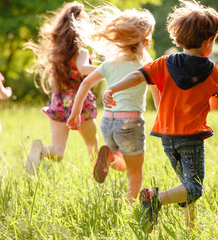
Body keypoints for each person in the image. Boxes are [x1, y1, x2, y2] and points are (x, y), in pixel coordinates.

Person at [102, 0, 218, 231]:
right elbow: (215, 105)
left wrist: (113, 88)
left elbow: (136, 77)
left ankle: (190, 229)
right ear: (209, 42)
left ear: (179, 38)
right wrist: (209, 97)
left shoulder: (163, 63)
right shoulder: (212, 70)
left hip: (168, 139)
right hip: (191, 138)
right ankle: (154, 198)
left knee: (186, 184)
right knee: (194, 186)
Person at [67, 4, 159, 203]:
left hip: (107, 121)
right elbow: (156, 90)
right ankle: (130, 207)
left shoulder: (109, 63)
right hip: (131, 123)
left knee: (123, 162)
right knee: (135, 173)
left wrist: (74, 114)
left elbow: (85, 83)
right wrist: (161, 118)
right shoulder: (146, 65)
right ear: (146, 41)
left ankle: (108, 156)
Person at [24, 1, 98, 175]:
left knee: (58, 151)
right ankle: (98, 180)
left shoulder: (56, 53)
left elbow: (56, 84)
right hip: (80, 103)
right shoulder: (81, 53)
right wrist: (107, 69)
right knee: (92, 145)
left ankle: (42, 150)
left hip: (58, 101)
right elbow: (83, 69)